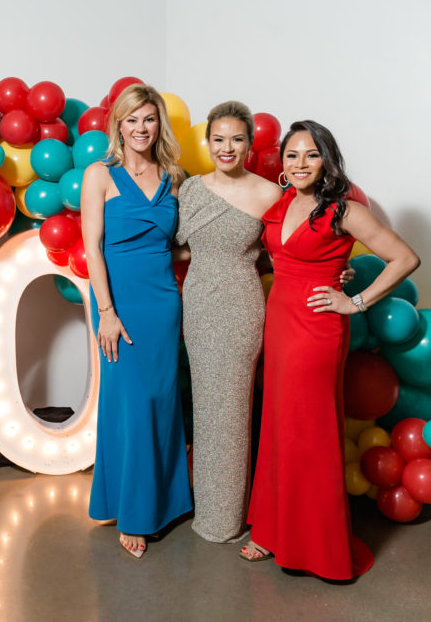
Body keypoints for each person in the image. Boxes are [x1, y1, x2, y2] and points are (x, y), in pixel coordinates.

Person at [241, 120, 419, 579]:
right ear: (282, 162)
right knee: (278, 424)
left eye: (311, 155)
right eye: (292, 155)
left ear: (327, 160)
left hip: (316, 331)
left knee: (308, 433)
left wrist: (353, 301)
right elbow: (281, 257)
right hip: (279, 324)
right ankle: (273, 531)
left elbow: (405, 257)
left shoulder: (343, 210)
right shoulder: (279, 204)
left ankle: (314, 548)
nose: (300, 164)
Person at [81, 84, 193, 558]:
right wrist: (106, 313)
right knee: (130, 403)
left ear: (158, 124)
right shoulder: (99, 174)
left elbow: (180, 246)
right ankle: (132, 512)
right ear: (118, 126)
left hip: (163, 301)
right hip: (118, 304)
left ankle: (165, 502)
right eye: (132, 120)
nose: (140, 129)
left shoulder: (175, 175)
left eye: (149, 119)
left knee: (163, 400)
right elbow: (92, 247)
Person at [175, 101, 281, 543]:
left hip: (241, 307)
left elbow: (286, 254)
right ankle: (209, 512)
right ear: (209, 141)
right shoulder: (191, 189)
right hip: (199, 306)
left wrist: (335, 272)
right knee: (205, 407)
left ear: (250, 144)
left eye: (236, 139)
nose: (226, 147)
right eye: (218, 139)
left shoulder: (270, 194)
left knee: (234, 411)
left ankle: (228, 518)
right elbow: (179, 248)